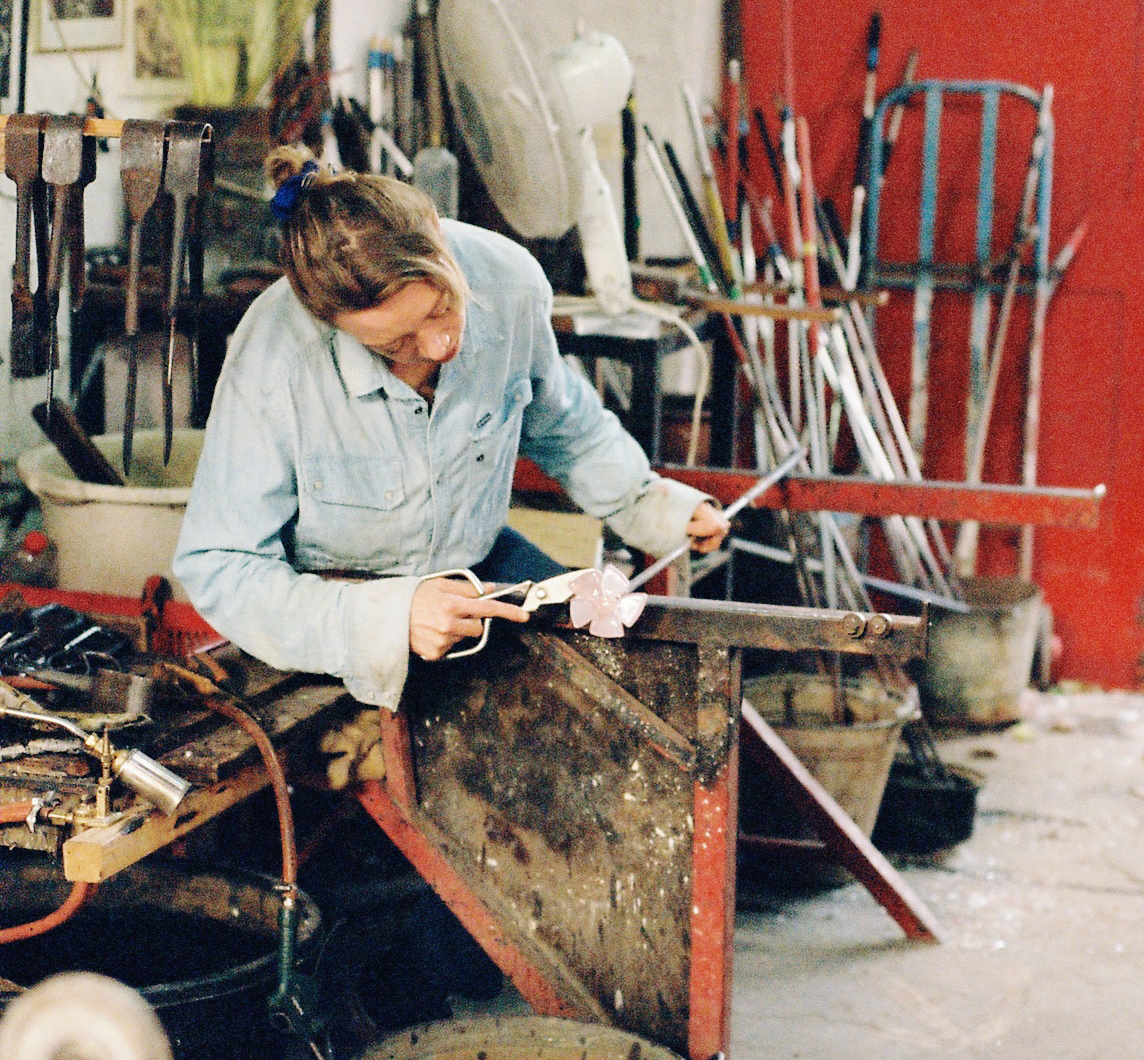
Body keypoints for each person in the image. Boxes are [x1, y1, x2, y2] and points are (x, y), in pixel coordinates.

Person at [174, 150, 729, 711]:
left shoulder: (509, 284)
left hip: (476, 565)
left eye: (442, 307)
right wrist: (386, 620)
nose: (441, 347)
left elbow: (565, 426)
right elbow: (221, 566)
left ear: (438, 234)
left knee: (622, 688)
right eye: (395, 344)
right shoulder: (277, 357)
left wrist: (653, 505)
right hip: (332, 606)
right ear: (331, 326)